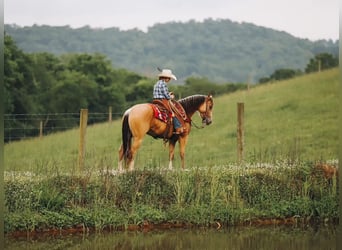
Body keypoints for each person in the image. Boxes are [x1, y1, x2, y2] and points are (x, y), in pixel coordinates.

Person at [153, 69, 185, 134]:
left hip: (156, 100)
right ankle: (178, 128)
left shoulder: (157, 83)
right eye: (169, 78)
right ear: (166, 78)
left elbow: (160, 93)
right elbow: (166, 96)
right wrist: (171, 96)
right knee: (174, 112)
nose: (169, 80)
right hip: (163, 101)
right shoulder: (164, 84)